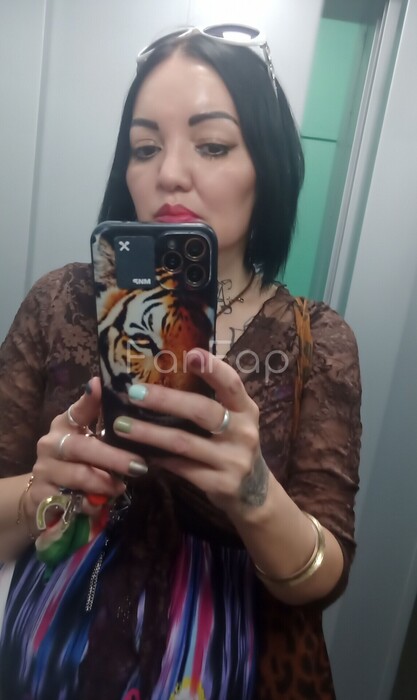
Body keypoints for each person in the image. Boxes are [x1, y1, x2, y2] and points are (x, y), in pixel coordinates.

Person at [0, 25, 361, 700]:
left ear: (267, 166)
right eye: (144, 147)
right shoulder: (58, 303)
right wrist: (38, 492)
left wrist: (254, 496)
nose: (167, 172)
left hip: (226, 670)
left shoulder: (319, 340)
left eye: (212, 144)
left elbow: (324, 576)